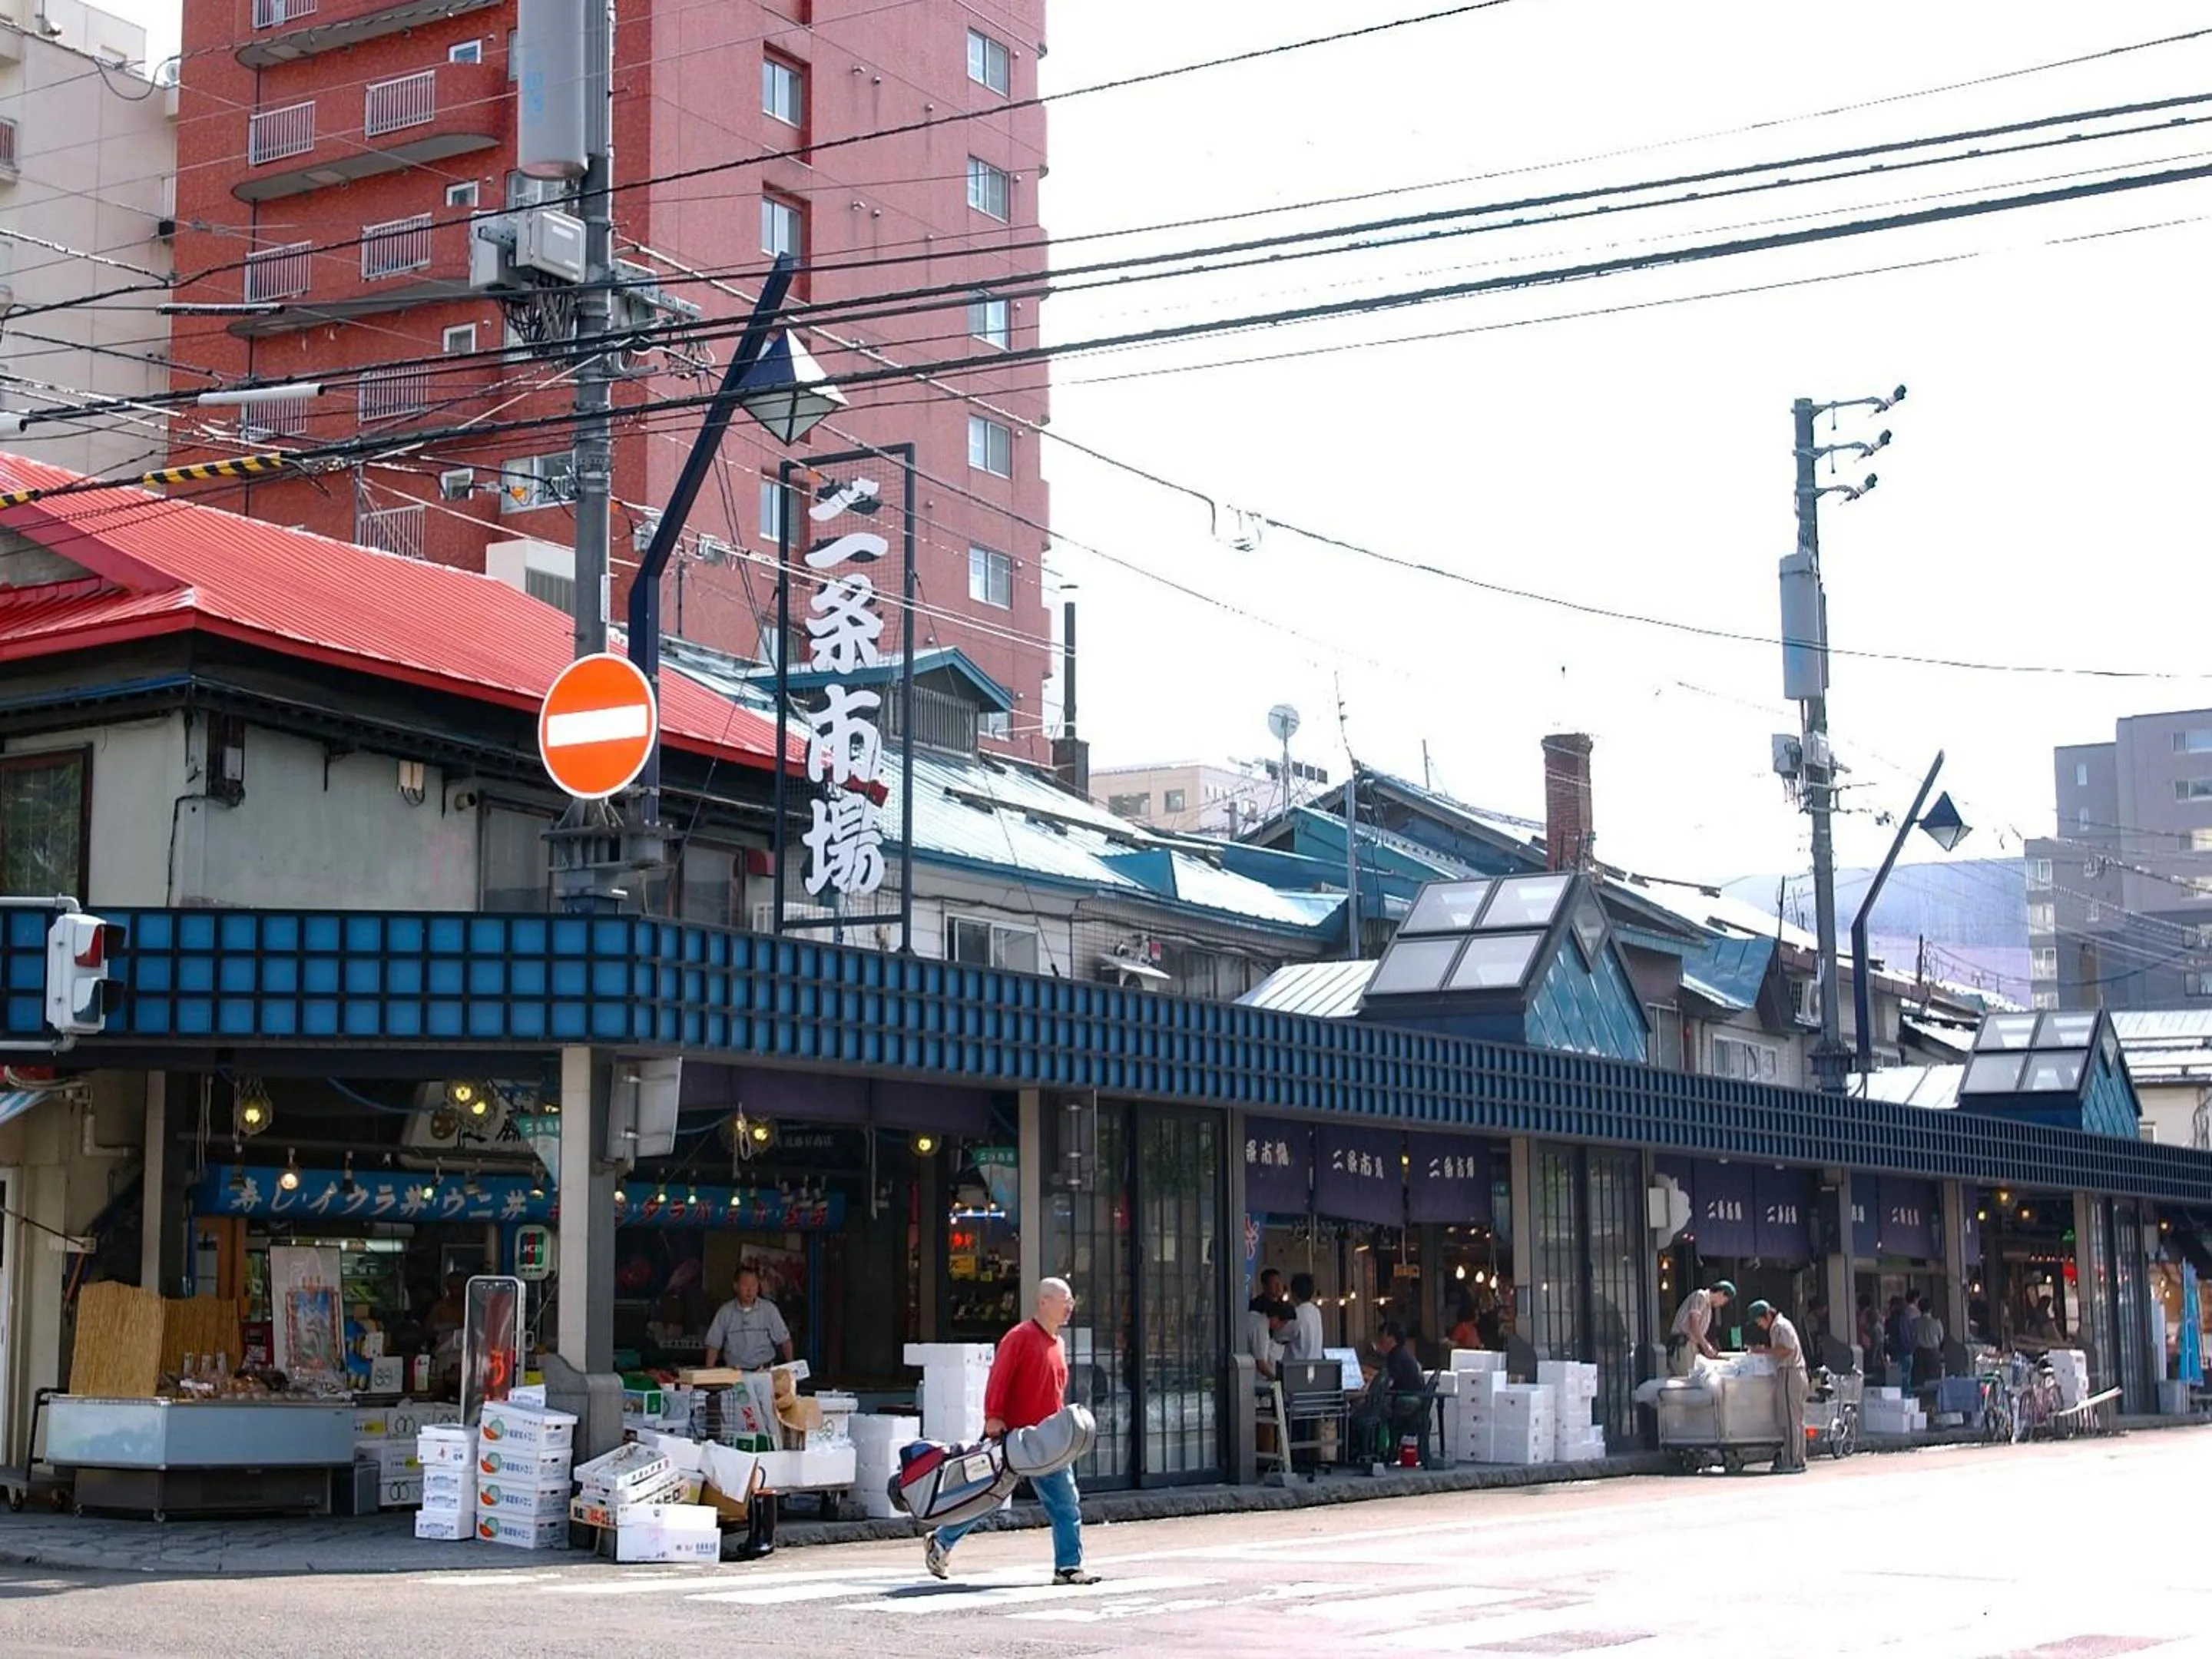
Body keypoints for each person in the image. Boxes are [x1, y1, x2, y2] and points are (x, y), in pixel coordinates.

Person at [925, 1277, 1098, 1587]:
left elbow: (1055, 1392)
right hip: (1013, 1438)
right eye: (1065, 1300)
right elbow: (999, 1378)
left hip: (1046, 1440)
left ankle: (1068, 1567)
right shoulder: (1019, 1338)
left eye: (1071, 1301)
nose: (1070, 1306)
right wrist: (994, 1417)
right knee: (987, 1497)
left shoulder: (1058, 1343)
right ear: (1043, 1302)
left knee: (1065, 1501)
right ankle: (941, 1541)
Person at [1350, 1321, 1426, 1461]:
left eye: (1382, 1336)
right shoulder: (1402, 1354)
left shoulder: (1395, 1356)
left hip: (1403, 1399)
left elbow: (1389, 1382)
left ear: (1391, 1338)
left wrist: (1368, 1387)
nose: (1380, 1340)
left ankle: (1369, 1449)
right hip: (1411, 1396)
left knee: (1367, 1408)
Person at [1748, 1300, 1807, 1474]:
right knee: (1795, 1419)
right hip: (1793, 1373)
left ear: (1767, 1315)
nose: (1760, 1325)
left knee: (1790, 1419)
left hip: (1791, 1372)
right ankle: (1797, 1458)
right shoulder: (1779, 1326)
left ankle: (1792, 1460)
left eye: (1760, 1321)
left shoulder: (1780, 1326)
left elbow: (1786, 1350)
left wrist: (1763, 1352)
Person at [704, 1266, 793, 1370]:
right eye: (745, 1285)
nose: (750, 1290)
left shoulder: (769, 1309)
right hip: (735, 1373)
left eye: (754, 1285)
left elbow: (785, 1341)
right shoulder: (725, 1312)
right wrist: (708, 1372)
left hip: (764, 1371)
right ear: (736, 1286)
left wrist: (791, 1368)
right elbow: (713, 1345)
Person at [1666, 1280, 1734, 1376]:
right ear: (1721, 1293)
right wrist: (1706, 1346)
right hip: (1682, 1344)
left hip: (1691, 1346)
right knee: (1686, 1379)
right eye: (1725, 1301)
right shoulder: (1701, 1296)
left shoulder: (1708, 1307)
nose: (1722, 1304)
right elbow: (1694, 1322)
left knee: (1692, 1377)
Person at [1246, 1298, 1293, 1381]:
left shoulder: (1253, 1316)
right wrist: (1277, 1380)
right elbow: (1261, 1364)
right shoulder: (1261, 1327)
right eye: (1284, 1323)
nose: (1283, 1327)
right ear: (1276, 1318)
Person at [1288, 1273, 1326, 1363]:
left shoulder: (1296, 1313)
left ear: (1294, 1293)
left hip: (1298, 1368)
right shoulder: (1316, 1312)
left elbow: (1281, 1336)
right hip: (1316, 1365)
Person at [1912, 1294, 1946, 1390]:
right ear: (1931, 1309)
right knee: (1934, 1382)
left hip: (1918, 1353)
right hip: (1933, 1353)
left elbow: (1912, 1338)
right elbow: (1941, 1338)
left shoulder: (1914, 1323)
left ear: (1919, 1308)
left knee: (1918, 1383)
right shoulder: (1936, 1323)